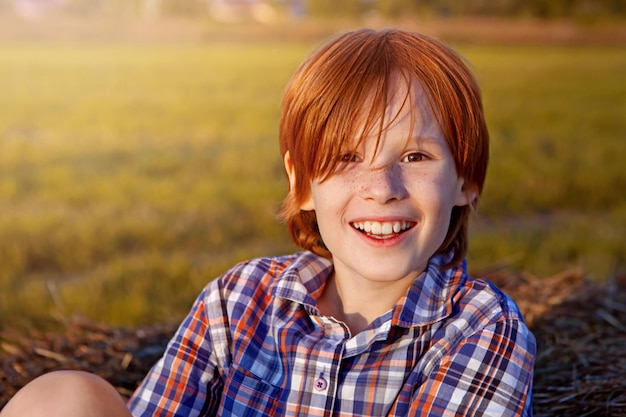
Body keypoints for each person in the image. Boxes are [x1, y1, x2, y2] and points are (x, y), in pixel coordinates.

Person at [0, 28, 535, 417]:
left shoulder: (483, 328)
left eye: (416, 157)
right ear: (301, 183)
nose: (382, 187)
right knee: (65, 397)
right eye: (347, 159)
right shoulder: (239, 301)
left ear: (466, 178)